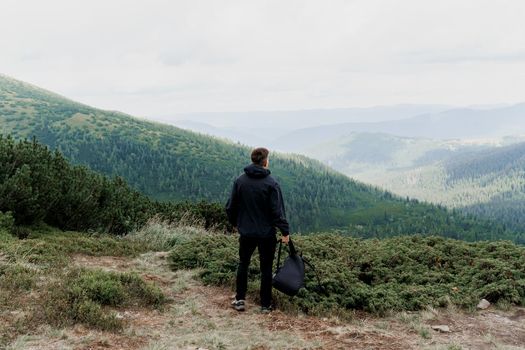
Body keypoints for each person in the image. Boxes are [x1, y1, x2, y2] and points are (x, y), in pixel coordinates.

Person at [226, 147, 290, 314]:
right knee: (266, 268)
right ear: (265, 161)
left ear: (252, 159)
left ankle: (240, 300)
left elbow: (231, 207)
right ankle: (265, 305)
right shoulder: (271, 183)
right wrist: (285, 232)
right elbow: (277, 212)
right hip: (266, 234)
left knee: (243, 263)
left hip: (246, 232)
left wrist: (236, 224)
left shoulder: (240, 181)